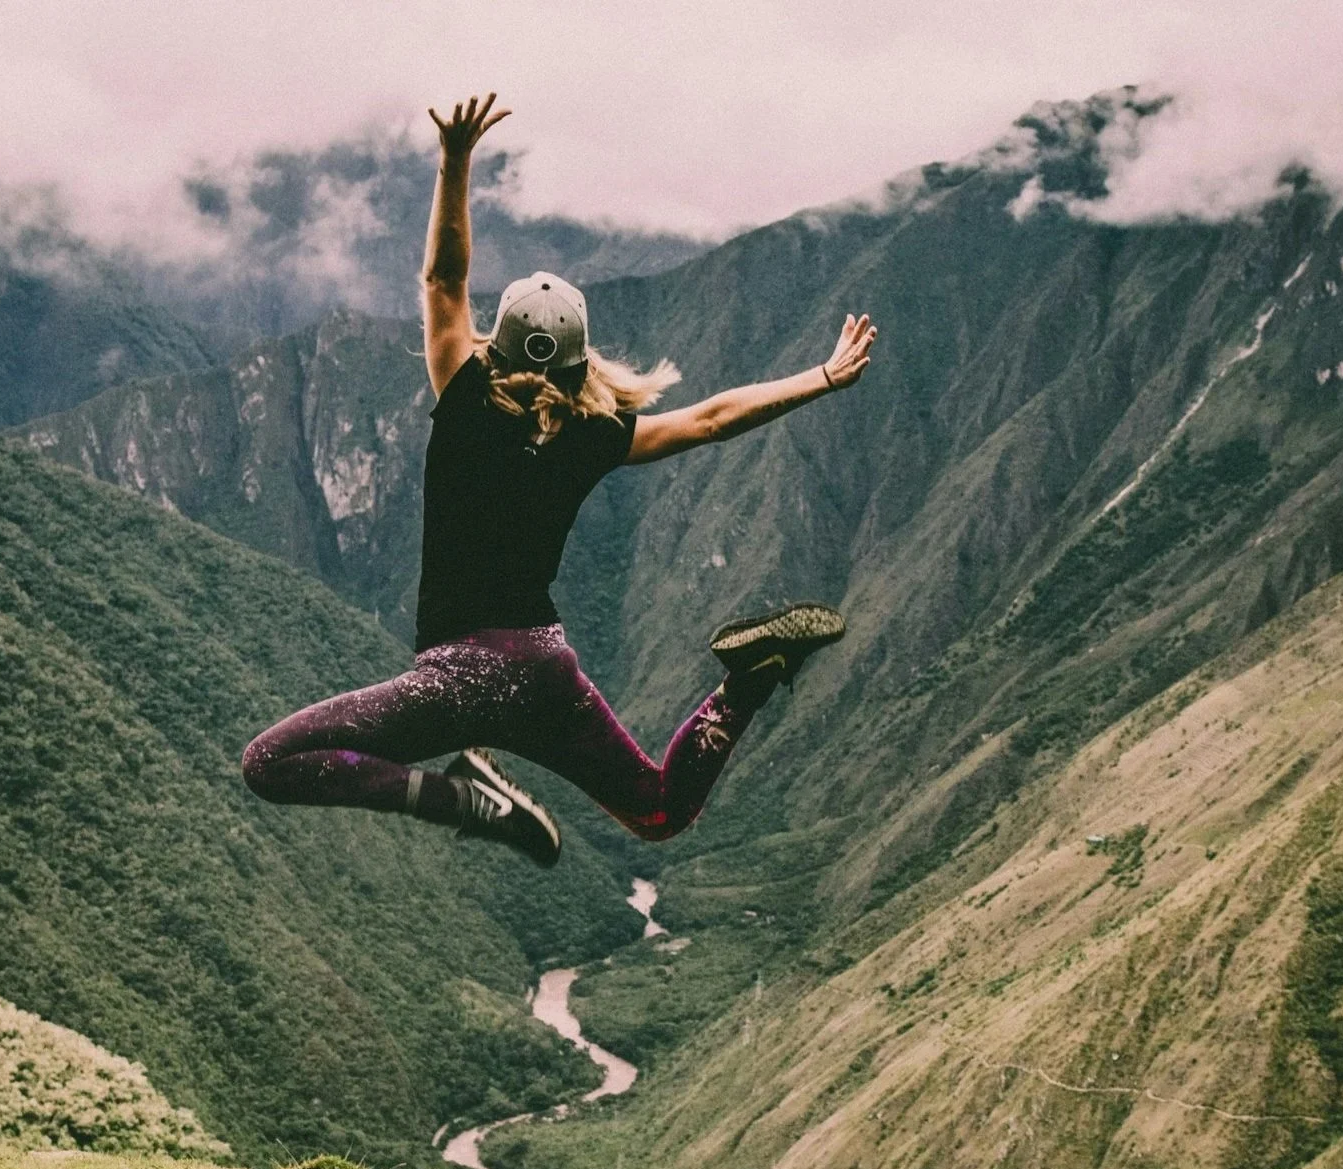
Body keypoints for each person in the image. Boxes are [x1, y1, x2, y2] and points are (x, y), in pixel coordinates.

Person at [242, 93, 877, 866]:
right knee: (657, 809)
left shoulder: (466, 396)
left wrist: (454, 159)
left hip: (459, 678)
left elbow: (444, 280)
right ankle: (744, 683)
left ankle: (462, 799)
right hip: (546, 671)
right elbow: (711, 419)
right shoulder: (594, 433)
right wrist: (819, 376)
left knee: (269, 763)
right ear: (581, 359)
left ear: (495, 344)